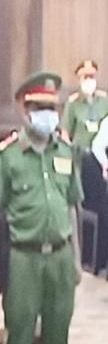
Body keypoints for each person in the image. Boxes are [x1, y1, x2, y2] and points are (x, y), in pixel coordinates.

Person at [0, 72, 85, 344]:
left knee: (58, 336)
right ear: (25, 110)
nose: (47, 116)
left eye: (52, 108)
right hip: (24, 258)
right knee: (19, 336)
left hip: (60, 255)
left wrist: (76, 259)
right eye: (39, 108)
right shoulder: (8, 156)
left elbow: (72, 206)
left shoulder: (65, 151)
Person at [61, 60, 108, 275]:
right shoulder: (73, 104)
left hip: (102, 161)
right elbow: (65, 134)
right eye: (85, 77)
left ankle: (101, 257)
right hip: (82, 161)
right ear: (79, 79)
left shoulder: (104, 101)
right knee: (85, 209)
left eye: (92, 76)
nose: (89, 81)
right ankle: (87, 255)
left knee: (102, 209)